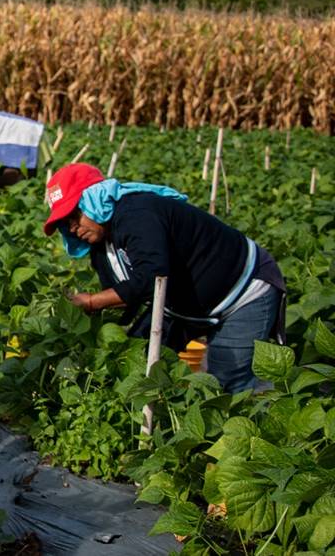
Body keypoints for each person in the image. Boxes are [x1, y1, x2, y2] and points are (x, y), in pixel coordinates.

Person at [43, 163, 286, 393]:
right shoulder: (100, 245)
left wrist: (93, 302)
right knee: (136, 358)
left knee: (229, 381)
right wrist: (84, 330)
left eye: (75, 216)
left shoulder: (137, 214)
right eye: (66, 224)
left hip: (243, 292)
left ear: (95, 200)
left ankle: (259, 422)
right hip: (182, 305)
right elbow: (126, 294)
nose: (73, 228)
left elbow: (151, 279)